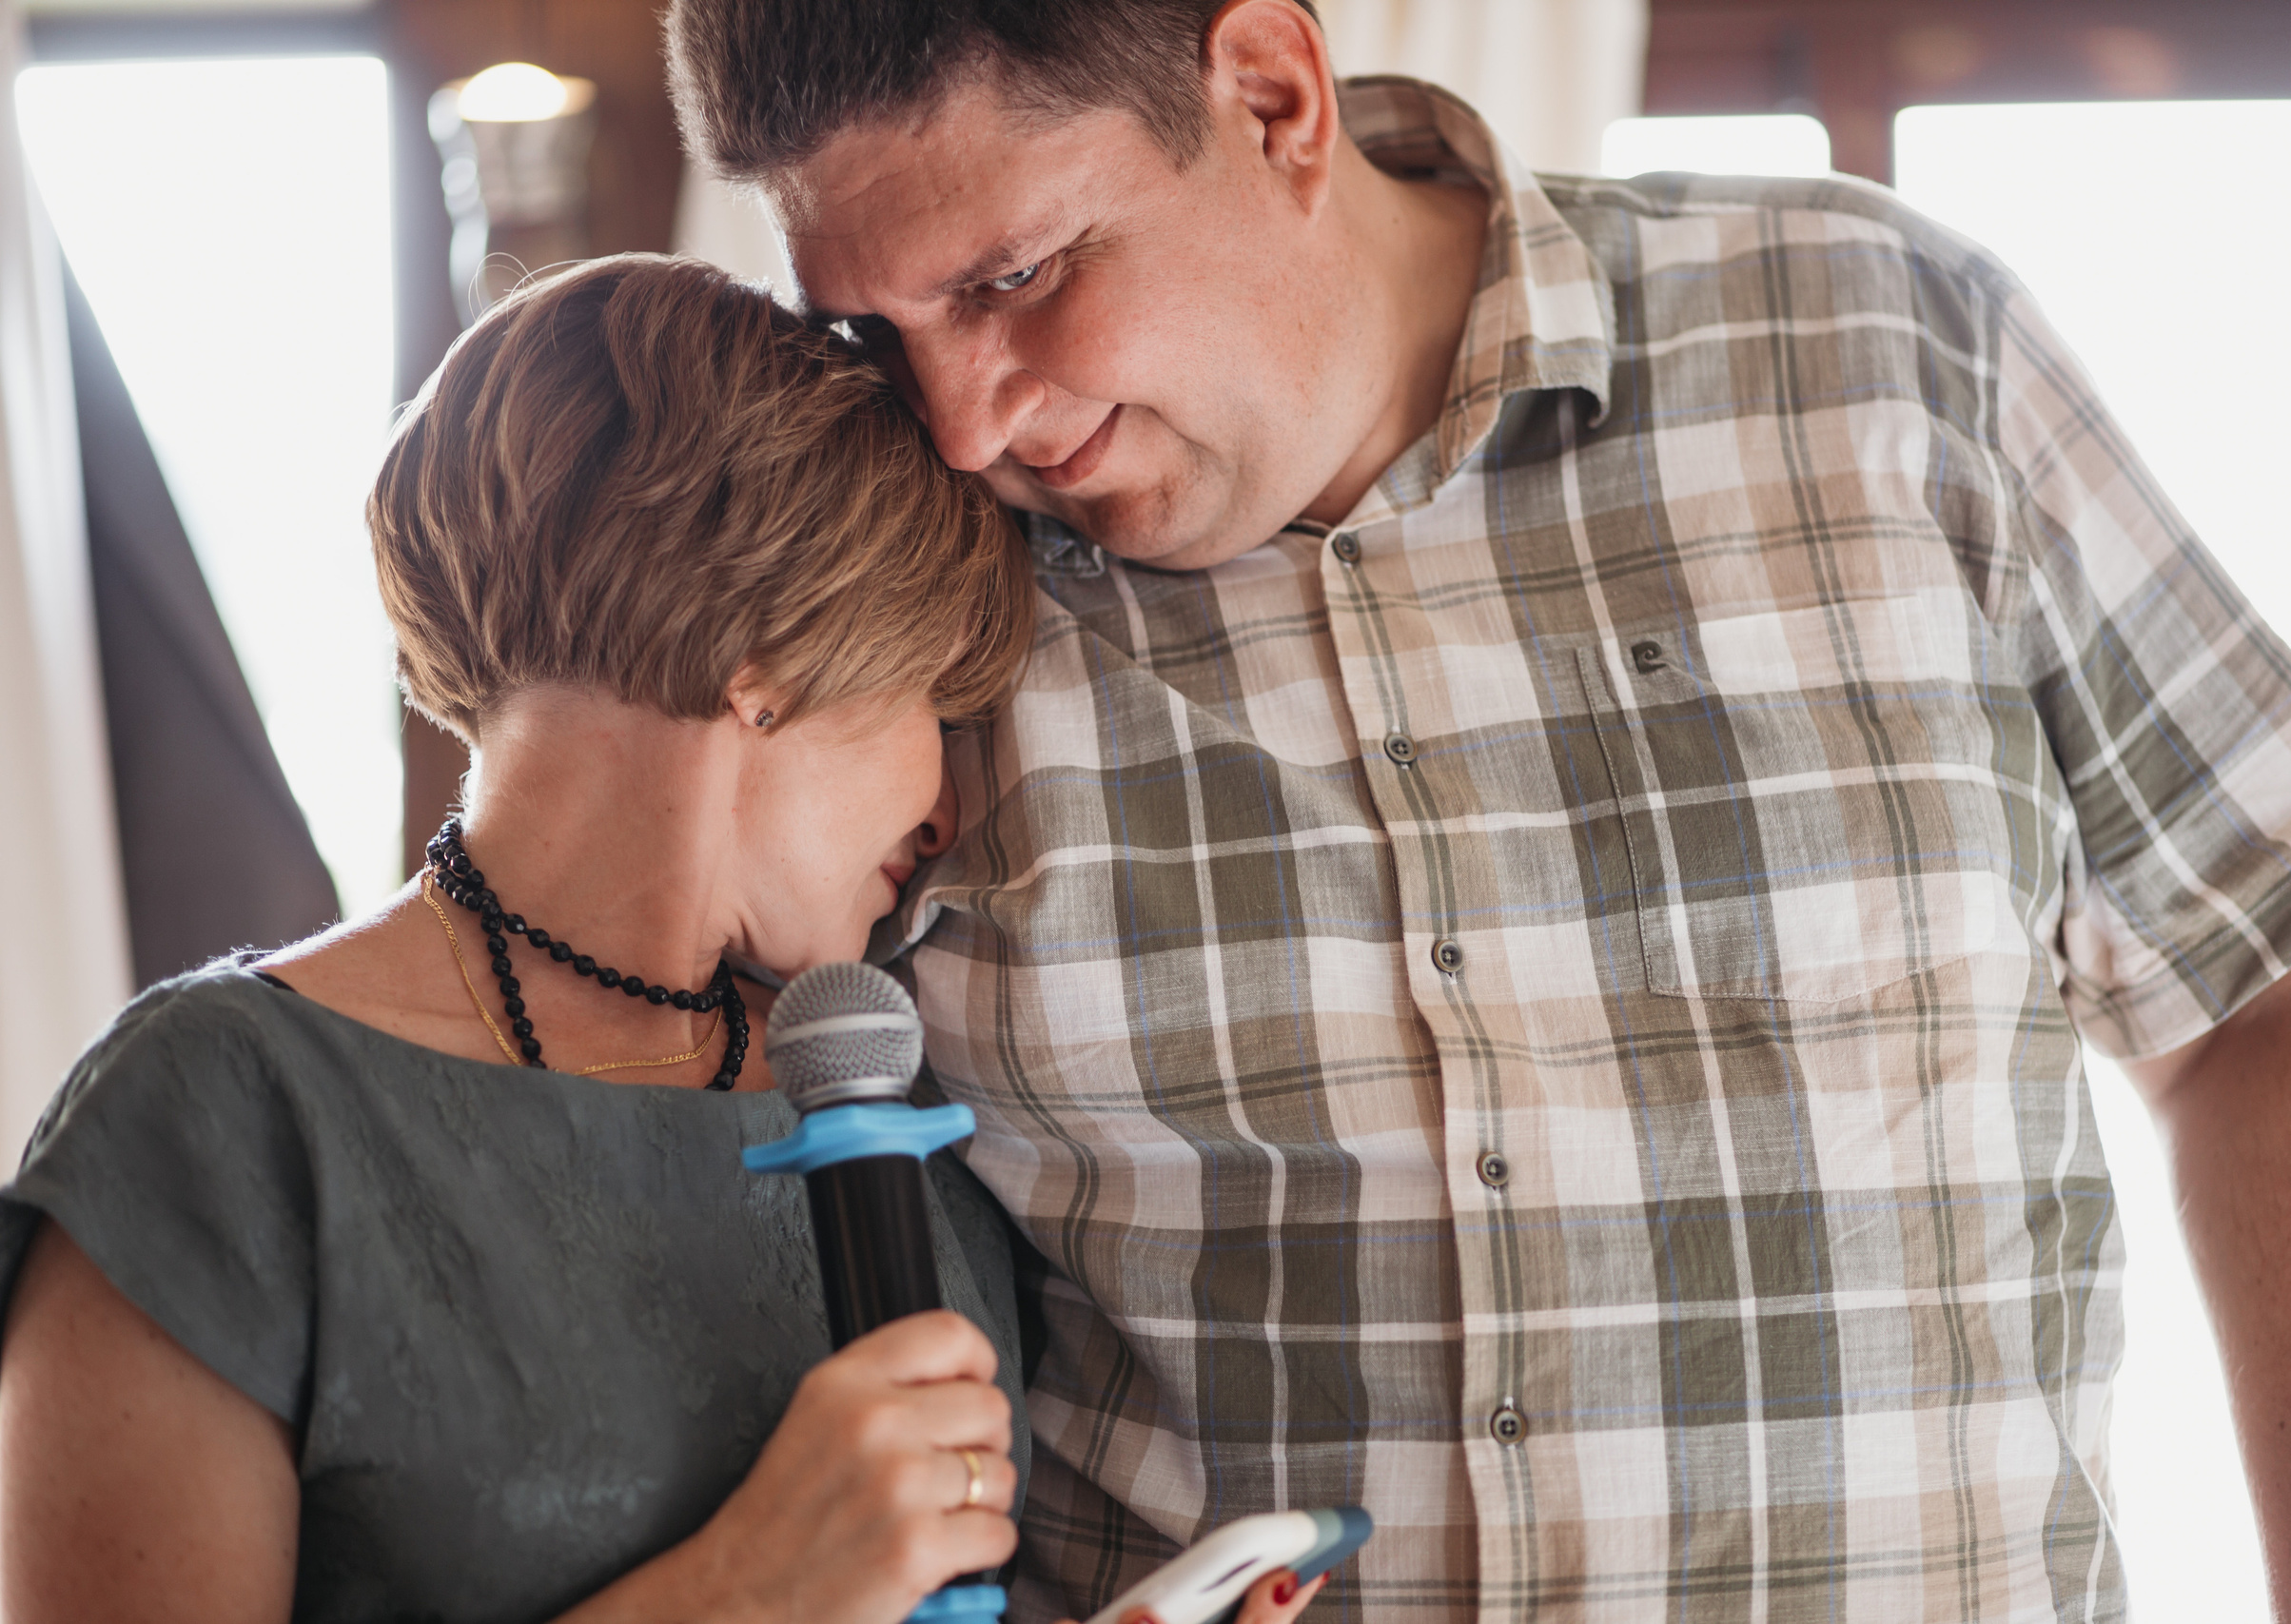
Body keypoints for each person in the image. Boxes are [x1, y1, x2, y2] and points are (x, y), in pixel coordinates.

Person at [664, 3, 2291, 1621]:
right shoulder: (899, 581)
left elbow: (2269, 1007)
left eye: (1017, 275)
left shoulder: (1892, 350)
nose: (963, 425)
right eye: (873, 323)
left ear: (1271, 97)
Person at [0, 256, 1326, 1624]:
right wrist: (749, 1592)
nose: (948, 816)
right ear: (766, 666)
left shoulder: (898, 1098)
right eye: (933, 702)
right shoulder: (215, 1120)